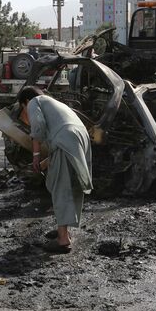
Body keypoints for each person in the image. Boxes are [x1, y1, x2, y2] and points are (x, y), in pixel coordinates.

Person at [17, 86, 93, 253]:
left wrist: (35, 155)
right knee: (71, 186)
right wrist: (44, 162)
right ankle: (64, 230)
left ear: (25, 102)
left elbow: (37, 128)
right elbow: (59, 144)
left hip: (66, 138)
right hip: (80, 137)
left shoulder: (34, 102)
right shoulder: (55, 104)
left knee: (61, 187)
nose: (26, 112)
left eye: (23, 108)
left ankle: (63, 239)